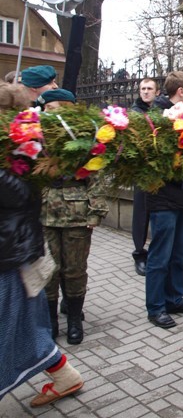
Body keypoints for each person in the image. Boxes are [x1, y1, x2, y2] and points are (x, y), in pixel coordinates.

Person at [0, 83, 84, 407]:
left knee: (13, 325)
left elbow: (21, 193)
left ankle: (65, 373)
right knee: (22, 324)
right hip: (15, 253)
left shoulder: (25, 149)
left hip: (12, 256)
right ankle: (65, 376)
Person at [39, 89, 109, 345]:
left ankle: (74, 321)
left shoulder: (84, 135)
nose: (49, 113)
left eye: (54, 108)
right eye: (46, 108)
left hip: (77, 214)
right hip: (44, 213)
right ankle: (50, 322)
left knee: (75, 270)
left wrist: (96, 212)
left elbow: (96, 174)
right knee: (49, 270)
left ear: (68, 108)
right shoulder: (35, 136)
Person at [145, 71, 183, 329]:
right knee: (160, 256)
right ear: (180, 92)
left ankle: (175, 298)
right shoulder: (157, 118)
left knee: (179, 254)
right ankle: (156, 307)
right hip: (164, 198)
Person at [129, 77, 160, 276]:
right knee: (141, 214)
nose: (146, 91)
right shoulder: (134, 113)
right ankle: (139, 253)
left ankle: (155, 253)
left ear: (157, 92)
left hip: (159, 171)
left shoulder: (162, 111)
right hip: (141, 171)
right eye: (143, 88)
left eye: (150, 88)